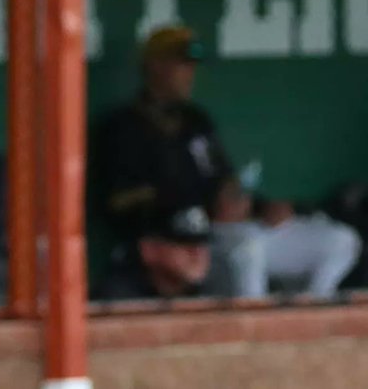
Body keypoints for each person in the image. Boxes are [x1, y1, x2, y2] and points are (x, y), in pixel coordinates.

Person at [95, 24, 361, 299]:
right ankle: (253, 332)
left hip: (227, 230)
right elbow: (121, 204)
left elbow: (223, 180)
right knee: (247, 248)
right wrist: (198, 205)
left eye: (191, 66)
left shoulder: (196, 120)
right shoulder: (123, 127)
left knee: (340, 241)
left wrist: (256, 206)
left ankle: (307, 322)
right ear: (154, 66)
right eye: (181, 65)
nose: (190, 74)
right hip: (180, 241)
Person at [94, 201, 213, 300]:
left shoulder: (210, 292)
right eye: (185, 244)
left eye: (202, 243)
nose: (197, 253)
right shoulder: (119, 297)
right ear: (149, 250)